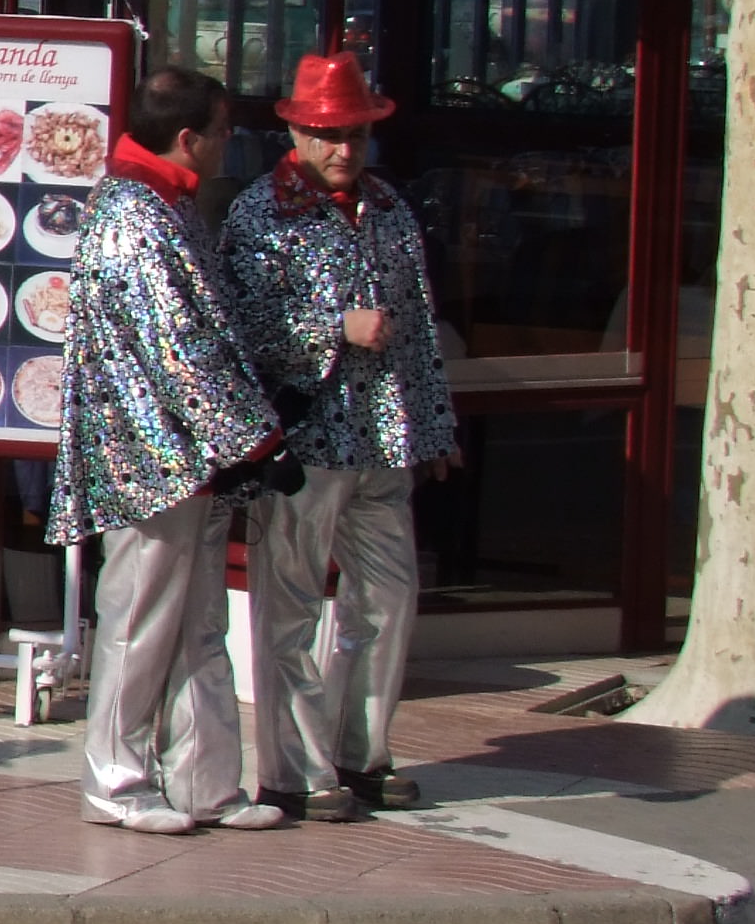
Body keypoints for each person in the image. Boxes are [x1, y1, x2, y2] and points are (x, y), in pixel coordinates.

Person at [221, 46, 461, 819]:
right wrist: (334, 328)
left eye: (353, 134)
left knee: (387, 597)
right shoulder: (260, 212)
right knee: (290, 607)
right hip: (307, 443)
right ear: (296, 134)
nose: (342, 150)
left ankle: (363, 750)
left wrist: (435, 423)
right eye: (327, 135)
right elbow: (242, 326)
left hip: (383, 436)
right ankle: (294, 768)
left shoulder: (389, 209)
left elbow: (418, 322)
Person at [51, 62, 290, 834]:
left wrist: (240, 439)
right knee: (139, 622)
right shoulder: (134, 212)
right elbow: (176, 345)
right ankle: (115, 781)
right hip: (149, 457)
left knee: (197, 625)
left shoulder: (165, 203)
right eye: (222, 131)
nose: (229, 143)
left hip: (195, 455)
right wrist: (253, 437)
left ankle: (205, 782)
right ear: (189, 138)